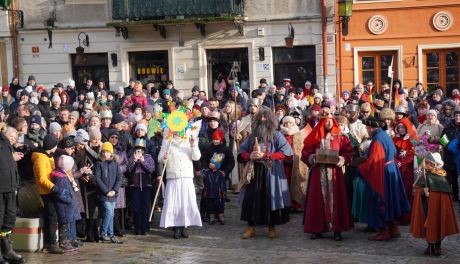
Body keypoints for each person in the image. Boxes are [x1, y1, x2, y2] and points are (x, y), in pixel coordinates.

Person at [238, 106, 293, 239]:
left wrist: (268, 156)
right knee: (251, 199)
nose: (262, 119)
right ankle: (251, 227)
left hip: (271, 170)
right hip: (254, 171)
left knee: (271, 198)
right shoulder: (252, 136)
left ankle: (271, 227)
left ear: (270, 120)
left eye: (265, 117)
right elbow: (241, 152)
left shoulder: (277, 134)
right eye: (260, 117)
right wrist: (250, 155)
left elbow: (287, 152)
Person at [356, 117, 411, 241]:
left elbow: (374, 162)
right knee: (391, 200)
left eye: (367, 128)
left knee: (382, 200)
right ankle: (393, 228)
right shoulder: (385, 136)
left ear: (372, 127)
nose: (366, 130)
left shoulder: (377, 139)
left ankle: (384, 231)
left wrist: (360, 169)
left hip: (384, 173)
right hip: (392, 169)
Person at [301, 114, 354, 241]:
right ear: (322, 122)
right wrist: (311, 157)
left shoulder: (341, 137)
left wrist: (342, 158)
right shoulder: (315, 135)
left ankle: (337, 229)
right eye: (326, 121)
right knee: (317, 200)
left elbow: (348, 152)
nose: (329, 123)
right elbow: (305, 151)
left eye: (331, 121)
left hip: (335, 173)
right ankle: (317, 229)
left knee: (337, 200)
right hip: (318, 173)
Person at [410, 152, 459, 256]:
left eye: (428, 163)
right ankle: (430, 246)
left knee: (437, 224)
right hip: (426, 206)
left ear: (434, 164)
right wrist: (423, 191)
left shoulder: (441, 177)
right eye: (426, 163)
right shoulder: (425, 175)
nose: (426, 165)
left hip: (437, 208)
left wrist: (432, 194)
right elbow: (417, 188)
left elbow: (445, 196)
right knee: (427, 225)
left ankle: (437, 247)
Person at [158, 130, 202, 239]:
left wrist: (193, 145)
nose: (178, 132)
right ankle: (176, 227)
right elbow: (160, 159)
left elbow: (196, 157)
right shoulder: (167, 142)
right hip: (173, 176)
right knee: (175, 202)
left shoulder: (188, 141)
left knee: (185, 202)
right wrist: (164, 157)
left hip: (186, 177)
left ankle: (184, 226)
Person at [32, 134, 63, 253]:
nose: (56, 148)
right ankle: (51, 243)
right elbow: (41, 178)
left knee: (52, 216)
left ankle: (50, 241)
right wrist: (54, 187)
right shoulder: (41, 158)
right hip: (45, 191)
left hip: (50, 190)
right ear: (51, 146)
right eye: (55, 145)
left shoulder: (48, 156)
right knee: (51, 216)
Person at [0, 124, 25, 263]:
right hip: (1, 187)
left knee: (9, 219)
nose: (13, 140)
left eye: (15, 138)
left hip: (10, 187)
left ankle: (7, 250)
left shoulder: (8, 145)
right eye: (11, 137)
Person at [94, 142, 123, 244]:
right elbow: (97, 178)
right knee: (109, 212)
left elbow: (119, 178)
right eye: (104, 151)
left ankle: (111, 235)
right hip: (103, 194)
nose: (105, 153)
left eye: (107, 152)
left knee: (111, 214)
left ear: (111, 153)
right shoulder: (99, 163)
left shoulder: (115, 164)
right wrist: (106, 191)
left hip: (112, 194)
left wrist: (114, 190)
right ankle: (103, 233)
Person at [51, 155, 81, 252]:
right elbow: (61, 193)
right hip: (64, 206)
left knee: (67, 224)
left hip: (66, 206)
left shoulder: (61, 175)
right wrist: (69, 199)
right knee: (64, 225)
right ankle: (63, 242)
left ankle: (67, 241)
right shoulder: (60, 177)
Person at [127, 138, 155, 235]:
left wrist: (143, 161)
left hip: (146, 185)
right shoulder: (131, 158)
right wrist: (134, 161)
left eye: (141, 149)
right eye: (137, 149)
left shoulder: (148, 157)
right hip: (135, 186)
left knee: (146, 207)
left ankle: (145, 227)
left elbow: (151, 169)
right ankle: (137, 227)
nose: (139, 151)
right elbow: (129, 170)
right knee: (136, 207)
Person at [201, 153, 226, 225]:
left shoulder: (220, 174)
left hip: (218, 193)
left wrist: (224, 192)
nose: (210, 164)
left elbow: (223, 183)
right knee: (210, 206)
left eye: (212, 163)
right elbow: (202, 178)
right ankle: (211, 218)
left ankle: (221, 217)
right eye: (210, 162)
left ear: (217, 166)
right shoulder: (206, 172)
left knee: (220, 206)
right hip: (208, 193)